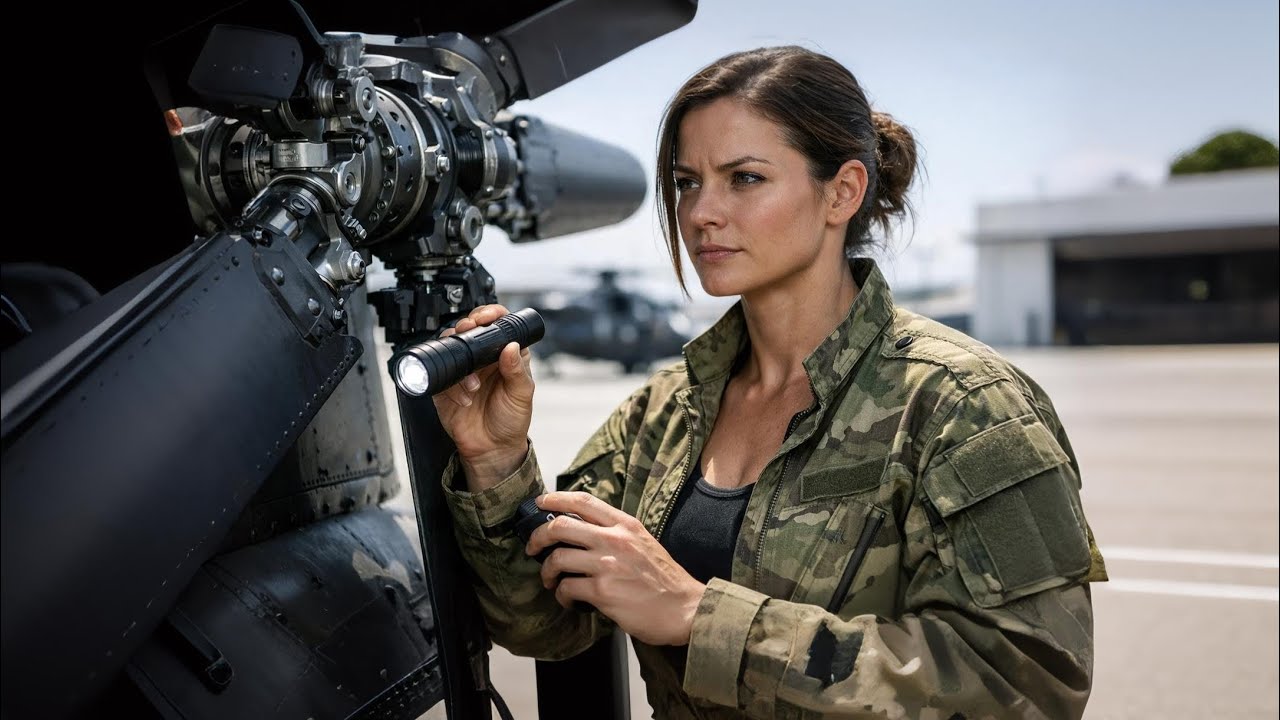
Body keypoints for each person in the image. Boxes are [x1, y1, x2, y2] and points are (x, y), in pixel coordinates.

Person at [434, 45, 1108, 719]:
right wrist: (496, 463)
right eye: (687, 182)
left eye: (745, 179)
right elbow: (546, 624)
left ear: (842, 192)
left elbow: (1029, 683)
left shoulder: (961, 404)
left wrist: (703, 618)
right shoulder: (666, 411)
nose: (701, 214)